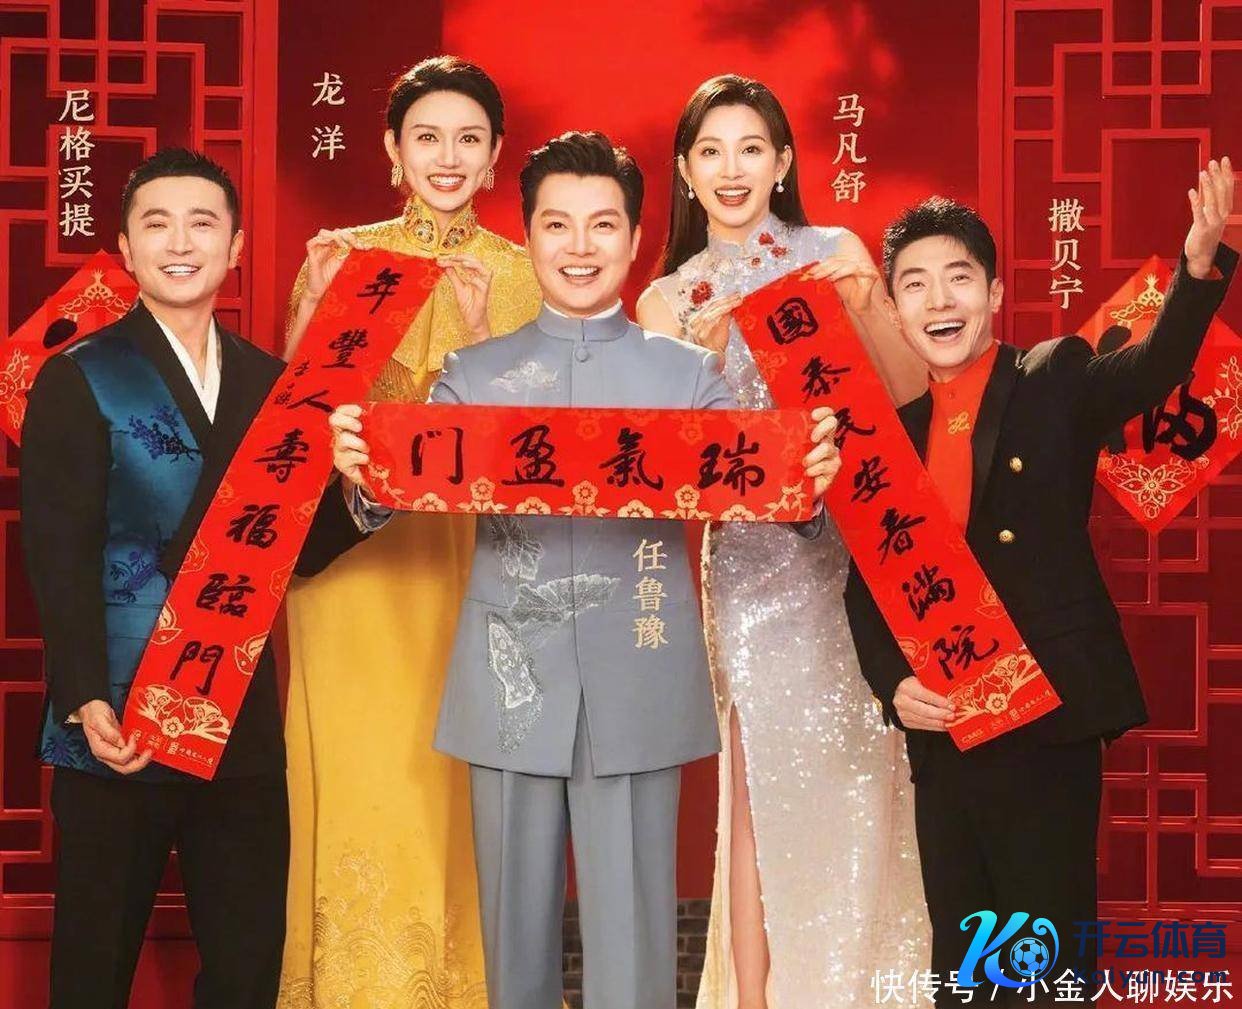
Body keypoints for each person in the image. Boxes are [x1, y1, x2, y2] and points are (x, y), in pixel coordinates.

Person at [327, 131, 841, 1009]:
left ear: (635, 238)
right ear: (527, 235)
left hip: (640, 679)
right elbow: (396, 495)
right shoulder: (472, 374)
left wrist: (807, 484)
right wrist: (363, 475)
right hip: (509, 687)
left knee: (633, 963)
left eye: (602, 224)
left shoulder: (689, 376)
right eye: (557, 224)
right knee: (514, 958)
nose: (579, 246)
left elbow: (759, 495)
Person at [844, 158, 1235, 1003]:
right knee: (965, 955)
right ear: (897, 310)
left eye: (958, 277)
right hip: (946, 731)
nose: (940, 299)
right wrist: (893, 685)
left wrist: (1198, 266)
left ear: (993, 293)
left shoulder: (1052, 377)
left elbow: (1153, 366)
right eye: (915, 284)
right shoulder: (890, 440)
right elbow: (865, 585)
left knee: (1045, 955)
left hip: (1046, 715)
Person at [21, 148, 359, 1009]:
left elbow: (294, 547)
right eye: (157, 224)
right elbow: (58, 547)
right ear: (126, 249)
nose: (180, 243)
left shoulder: (274, 386)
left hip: (233, 709)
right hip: (115, 719)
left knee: (247, 969)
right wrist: (83, 694)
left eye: (202, 223)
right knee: (93, 969)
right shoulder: (81, 374)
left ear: (235, 246)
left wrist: (366, 492)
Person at [636, 74, 930, 1007]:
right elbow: (669, 466)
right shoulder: (665, 300)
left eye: (752, 148)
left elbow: (913, 399)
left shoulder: (832, 252)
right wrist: (704, 354)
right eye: (711, 151)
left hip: (861, 552)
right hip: (754, 573)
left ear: (784, 161)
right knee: (764, 782)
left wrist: (869, 305)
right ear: (685, 170)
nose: (733, 170)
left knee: (870, 764)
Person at [277, 57, 541, 1009]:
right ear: (392, 148)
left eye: (469, 139)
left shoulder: (525, 272)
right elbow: (292, 433)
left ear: (496, 154)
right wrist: (313, 316)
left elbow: (536, 448)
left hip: (475, 567)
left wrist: (478, 344)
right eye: (427, 137)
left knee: (457, 784)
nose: (448, 157)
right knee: (365, 779)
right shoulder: (341, 256)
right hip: (353, 577)